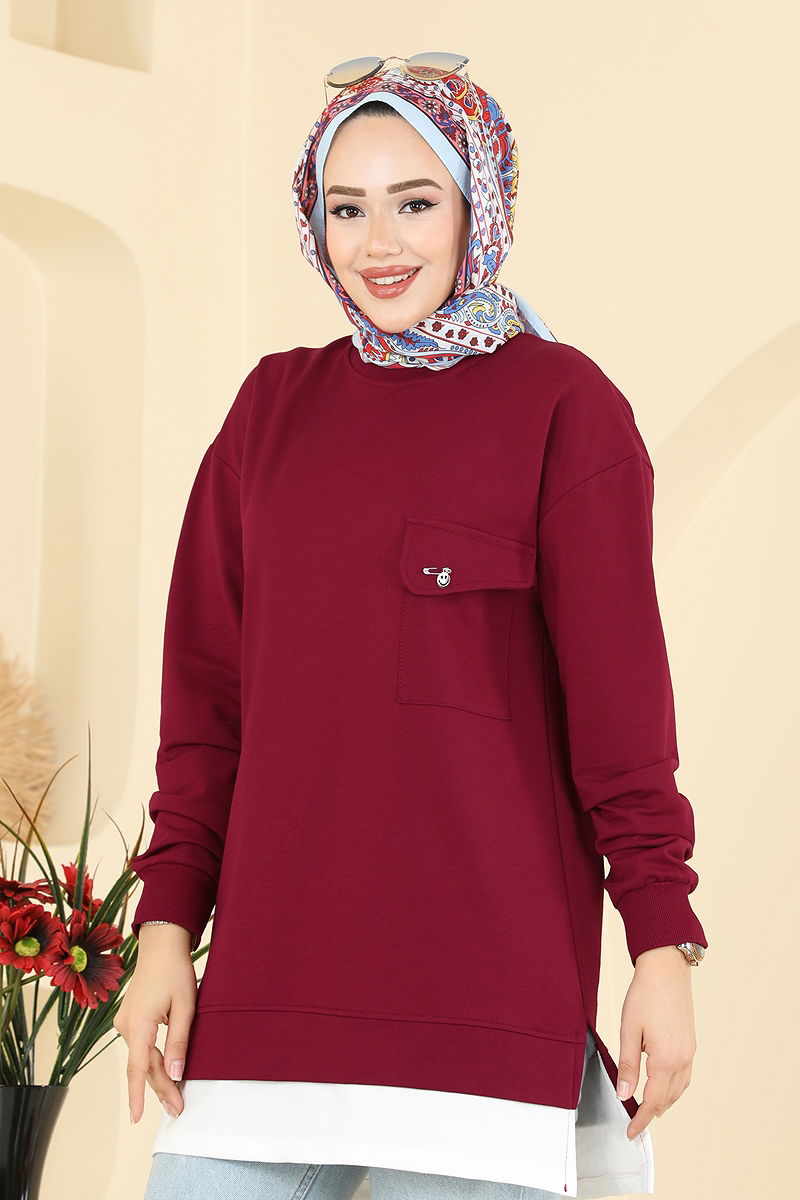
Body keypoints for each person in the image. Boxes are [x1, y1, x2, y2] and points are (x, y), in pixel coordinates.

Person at [114, 53, 709, 1200]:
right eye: (345, 209)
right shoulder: (269, 412)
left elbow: (620, 719)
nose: (377, 243)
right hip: (264, 1012)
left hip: (480, 1025)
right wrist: (164, 936)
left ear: (480, 205)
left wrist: (659, 945)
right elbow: (205, 713)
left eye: (415, 202)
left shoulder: (563, 408)